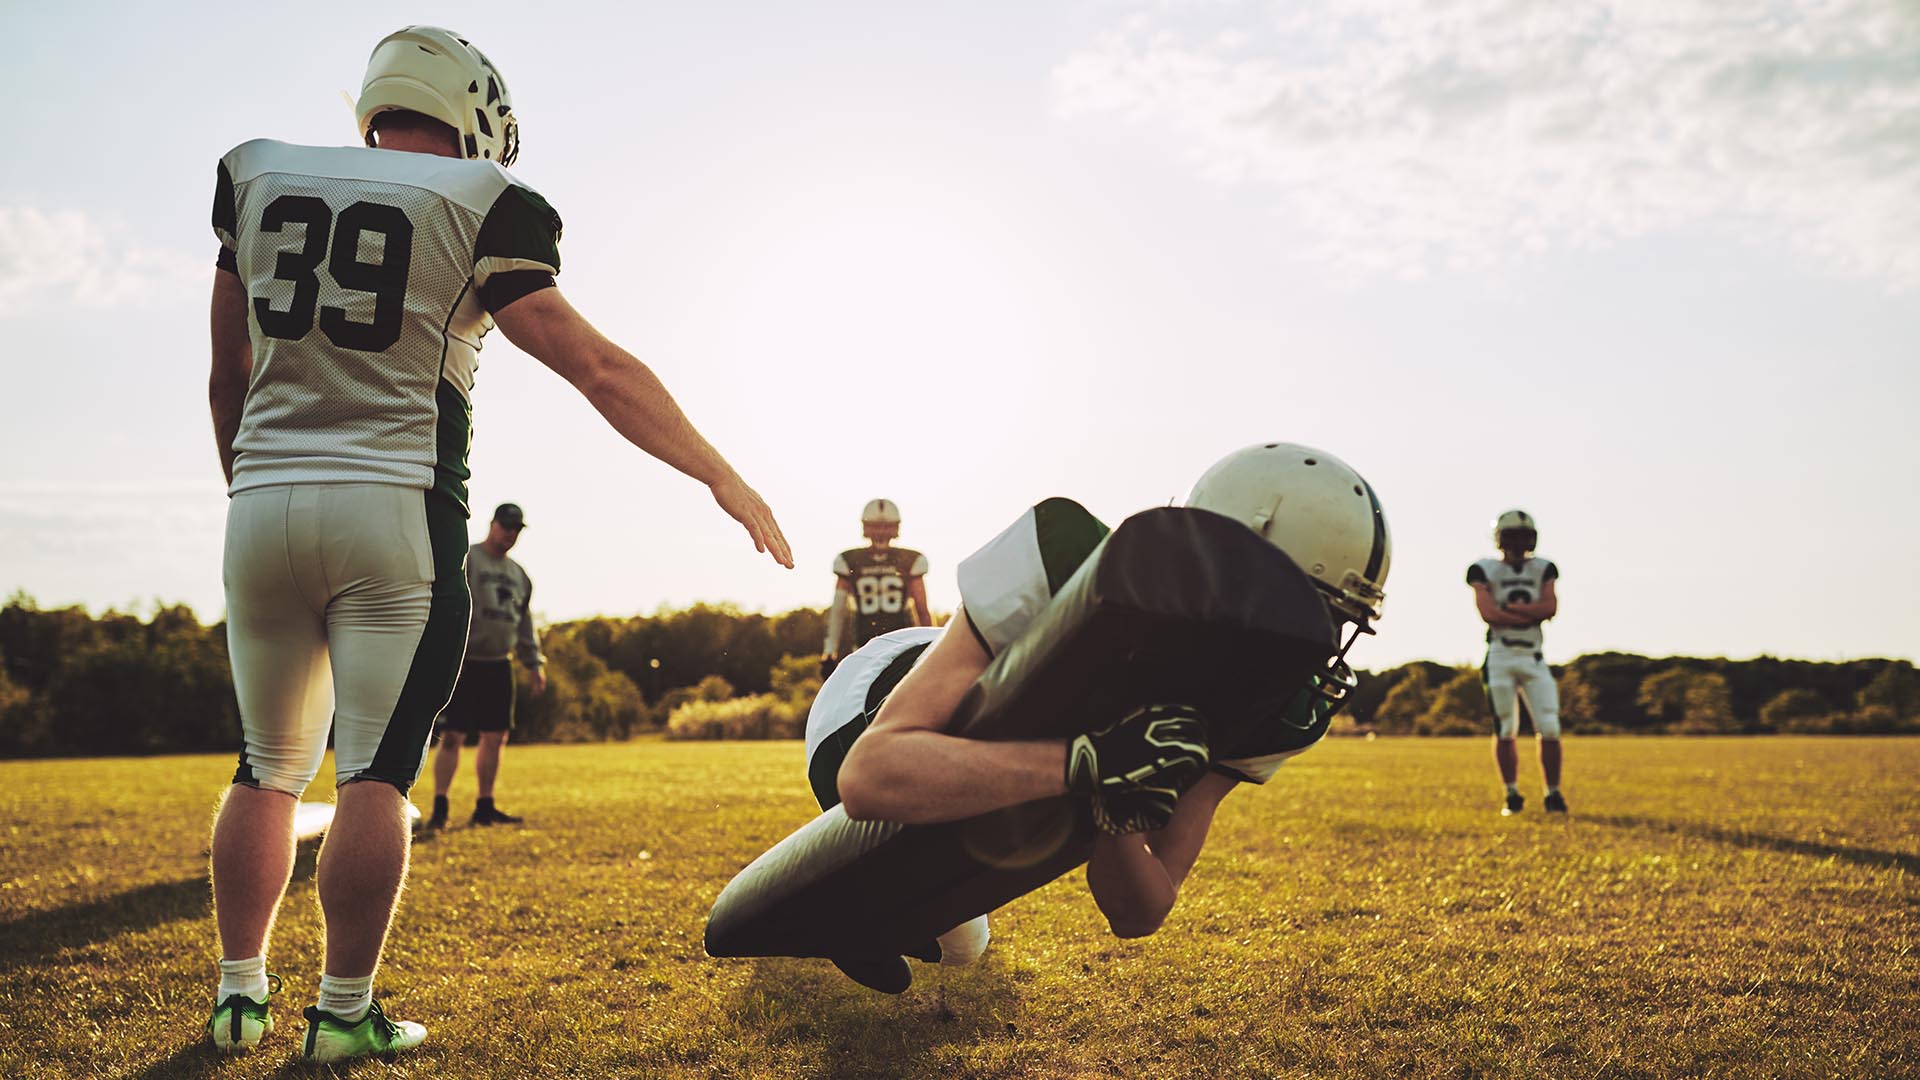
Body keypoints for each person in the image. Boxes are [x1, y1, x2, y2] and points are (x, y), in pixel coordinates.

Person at [204, 25, 790, 1062]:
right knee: (377, 774)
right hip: (396, 513)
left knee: (265, 770)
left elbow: (229, 372)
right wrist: (721, 474)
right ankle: (343, 1014)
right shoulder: (483, 204)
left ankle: (239, 995)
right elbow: (595, 368)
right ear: (472, 113)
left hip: (262, 502)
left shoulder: (256, 175)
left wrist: (250, 488)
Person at [802, 443, 1390, 989]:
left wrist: (1121, 810)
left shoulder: (1276, 708)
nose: (1319, 645)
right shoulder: (1069, 559)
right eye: (1312, 615)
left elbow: (1143, 910)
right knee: (952, 928)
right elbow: (871, 775)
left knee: (968, 935)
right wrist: (1092, 762)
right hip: (873, 699)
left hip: (984, 749)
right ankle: (857, 909)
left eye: (1337, 623)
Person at [427, 502, 546, 829]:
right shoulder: (468, 560)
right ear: (492, 524)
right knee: (452, 736)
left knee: (496, 736)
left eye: (516, 529)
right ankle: (440, 806)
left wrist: (534, 663)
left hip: (498, 664)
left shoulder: (519, 576)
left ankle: (485, 805)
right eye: (506, 526)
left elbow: (524, 624)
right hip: (464, 662)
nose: (510, 534)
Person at [1467, 509, 1564, 815]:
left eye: (1523, 537)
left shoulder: (1543, 567)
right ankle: (1511, 794)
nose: (1519, 543)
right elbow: (1488, 614)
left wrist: (1507, 608)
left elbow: (1550, 607)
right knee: (1505, 727)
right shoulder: (1483, 568)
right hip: (1500, 655)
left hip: (1533, 657)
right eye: (1513, 537)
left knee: (1549, 725)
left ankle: (1553, 794)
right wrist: (1529, 612)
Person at [821, 498, 931, 676]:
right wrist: (932, 645)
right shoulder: (908, 559)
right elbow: (838, 609)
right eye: (876, 526)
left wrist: (829, 649)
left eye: (885, 526)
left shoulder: (852, 559)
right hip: (879, 644)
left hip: (894, 644)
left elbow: (922, 609)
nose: (881, 531)